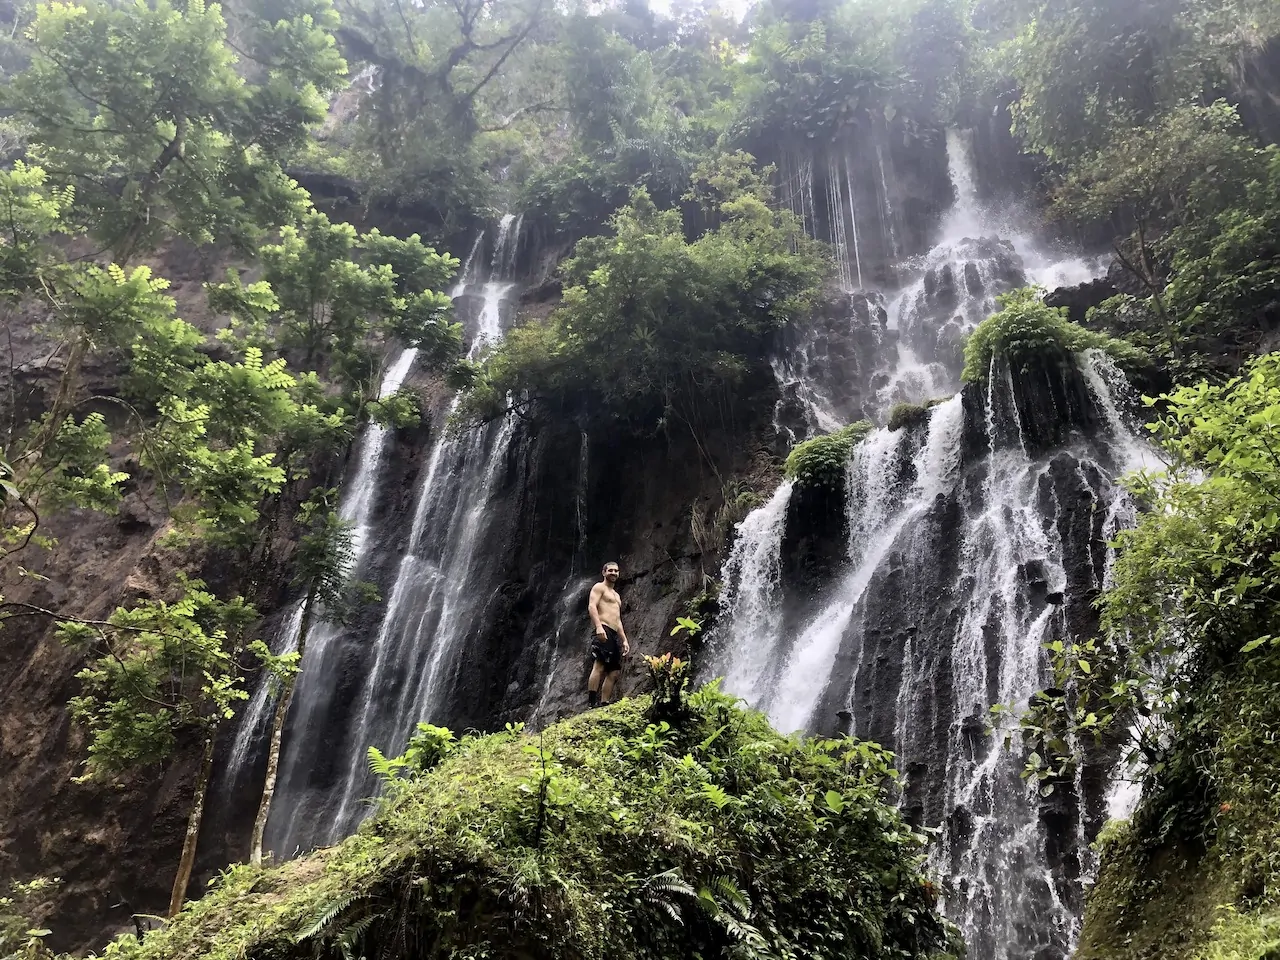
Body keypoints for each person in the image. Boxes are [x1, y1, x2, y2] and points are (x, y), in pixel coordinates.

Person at [587, 560, 630, 708]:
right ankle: (592, 704)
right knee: (599, 665)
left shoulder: (617, 596)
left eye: (616, 571)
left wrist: (624, 640)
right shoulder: (599, 587)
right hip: (603, 628)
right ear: (604, 572)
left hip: (613, 633)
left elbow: (618, 620)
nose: (613, 573)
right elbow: (592, 606)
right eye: (610, 570)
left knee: (614, 672)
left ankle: (604, 703)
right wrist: (598, 627)